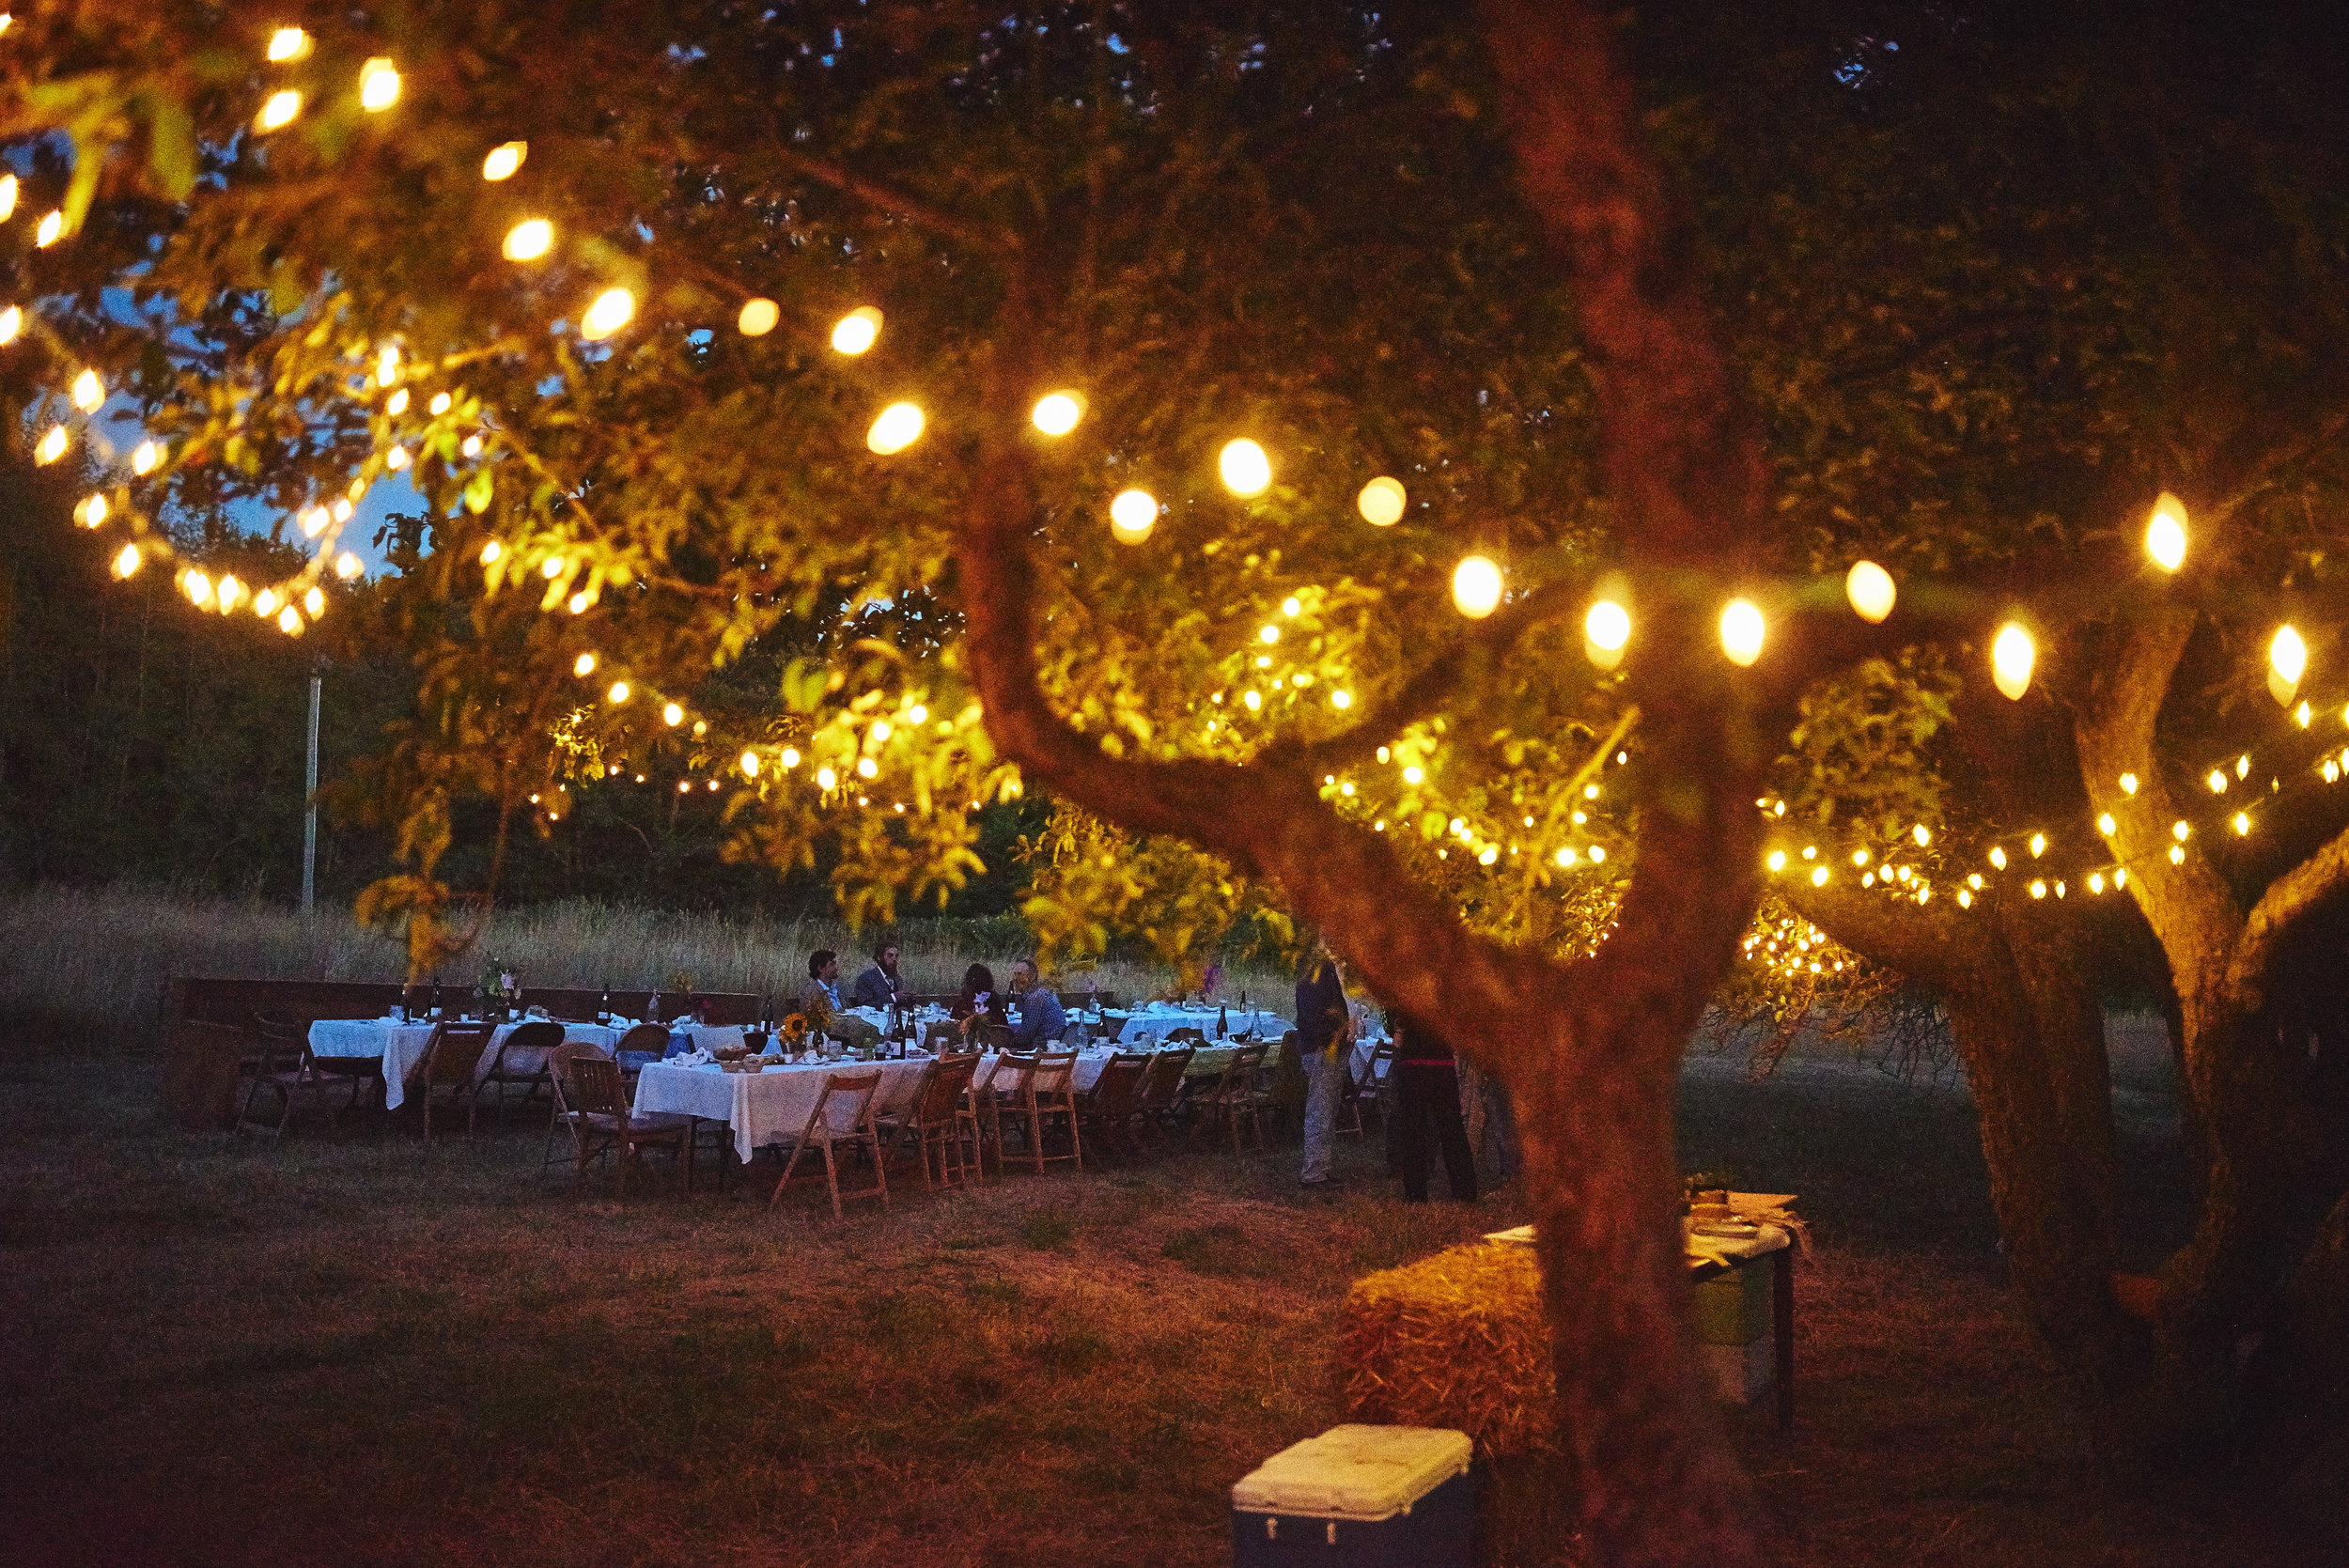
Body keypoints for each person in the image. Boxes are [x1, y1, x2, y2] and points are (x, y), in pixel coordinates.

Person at [1390, 1009, 1477, 1203]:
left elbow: (1393, 1020)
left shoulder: (1405, 991)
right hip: (1441, 1062)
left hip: (1413, 1061)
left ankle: (1415, 1193)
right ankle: (1465, 1190)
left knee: (1414, 1130)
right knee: (1451, 1128)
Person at [1294, 945, 1352, 1187]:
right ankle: (1313, 1171)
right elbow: (1310, 1012)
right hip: (1323, 1047)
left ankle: (1322, 1166)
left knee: (1326, 1109)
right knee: (1320, 1108)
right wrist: (1327, 1037)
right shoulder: (1313, 968)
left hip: (1329, 1045)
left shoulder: (1324, 967)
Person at [1004, 957, 1067, 1049]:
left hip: (1042, 1047)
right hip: (1051, 1043)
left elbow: (1025, 1035)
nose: (1016, 978)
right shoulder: (1042, 992)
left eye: (1020, 974)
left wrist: (1006, 1040)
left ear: (1032, 976)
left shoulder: (1035, 998)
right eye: (1015, 974)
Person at [850, 941, 906, 1011]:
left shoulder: (898, 979)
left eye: (896, 956)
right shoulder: (866, 978)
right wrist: (893, 998)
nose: (894, 959)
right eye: (890, 955)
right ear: (879, 957)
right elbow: (864, 1005)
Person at [799, 950, 843, 1016]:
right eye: (832, 965)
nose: (836, 968)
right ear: (820, 968)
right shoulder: (811, 993)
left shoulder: (836, 988)